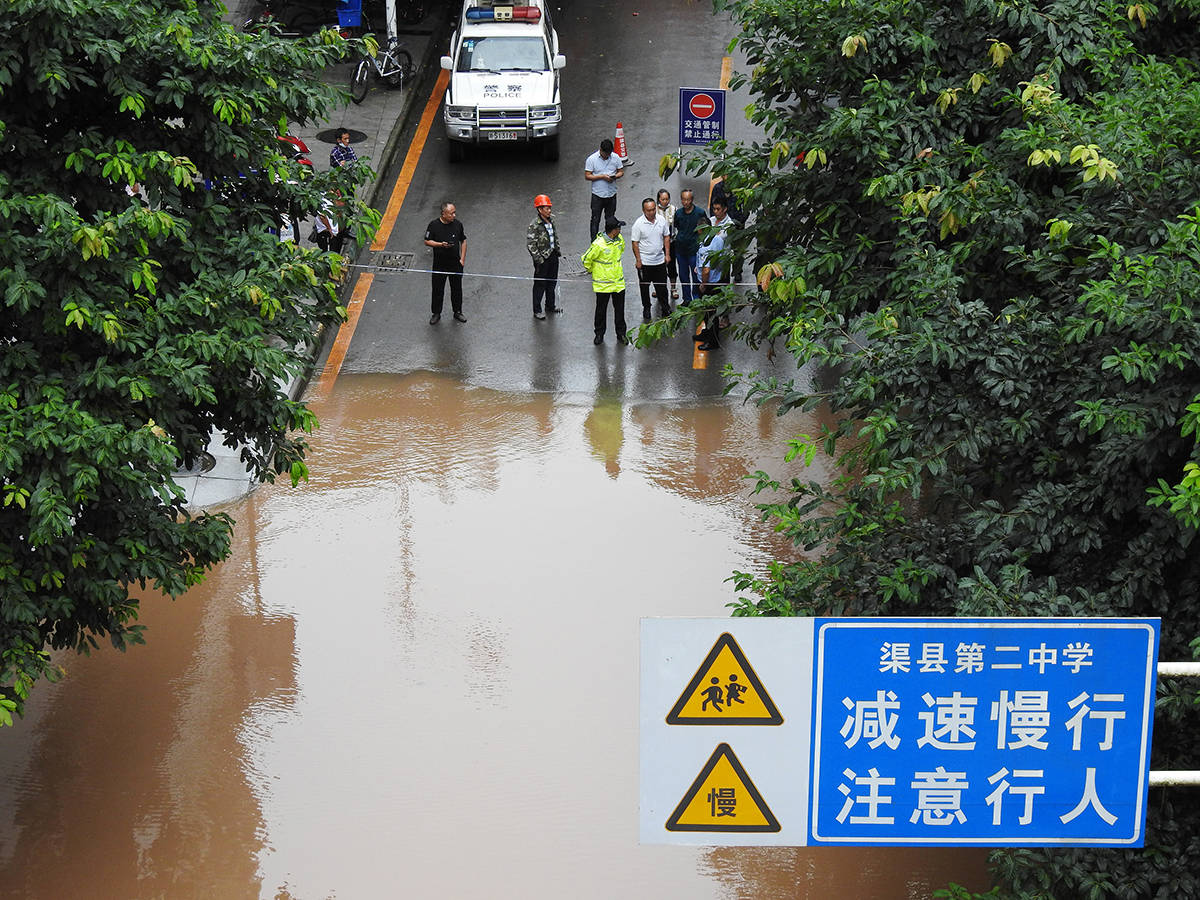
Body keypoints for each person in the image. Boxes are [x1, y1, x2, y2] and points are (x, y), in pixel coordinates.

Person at [581, 217, 628, 346]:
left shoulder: (619, 240)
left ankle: (621, 334)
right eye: (619, 228)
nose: (620, 230)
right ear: (613, 230)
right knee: (601, 311)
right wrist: (593, 271)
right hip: (603, 285)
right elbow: (586, 259)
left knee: (620, 310)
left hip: (618, 283)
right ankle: (599, 334)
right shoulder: (598, 244)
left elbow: (621, 250)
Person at [423, 202, 467, 324]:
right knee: (438, 289)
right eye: (451, 213)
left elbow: (463, 241)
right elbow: (427, 241)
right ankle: (436, 313)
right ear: (443, 214)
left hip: (455, 264)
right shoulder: (433, 225)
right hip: (439, 264)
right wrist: (440, 244)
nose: (454, 215)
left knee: (457, 289)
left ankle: (457, 311)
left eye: (454, 212)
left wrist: (462, 259)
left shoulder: (458, 225)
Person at [630, 197, 671, 321]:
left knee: (662, 287)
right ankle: (646, 307)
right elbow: (635, 243)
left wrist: (667, 254)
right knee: (644, 287)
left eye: (653, 209)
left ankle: (665, 307)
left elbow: (666, 237)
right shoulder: (638, 224)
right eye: (649, 210)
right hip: (645, 263)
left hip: (659, 262)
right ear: (643, 210)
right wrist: (638, 260)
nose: (652, 212)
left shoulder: (661, 220)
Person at [525, 193, 563, 320]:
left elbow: (554, 236)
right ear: (539, 209)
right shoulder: (534, 225)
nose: (549, 210)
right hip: (542, 259)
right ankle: (537, 310)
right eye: (546, 208)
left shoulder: (551, 221)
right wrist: (539, 259)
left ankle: (550, 305)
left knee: (552, 282)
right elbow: (531, 244)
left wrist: (557, 250)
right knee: (540, 284)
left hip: (552, 256)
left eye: (549, 207)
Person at [693, 220, 726, 351]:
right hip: (713, 278)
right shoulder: (712, 238)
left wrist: (703, 284)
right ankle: (707, 333)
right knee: (708, 313)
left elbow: (706, 268)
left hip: (709, 283)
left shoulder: (709, 243)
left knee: (710, 313)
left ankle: (712, 341)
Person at [584, 138, 624, 241]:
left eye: (608, 154)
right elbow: (587, 176)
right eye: (605, 154)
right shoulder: (592, 159)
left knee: (610, 219)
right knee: (595, 219)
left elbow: (621, 171)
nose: (607, 156)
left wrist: (615, 176)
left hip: (611, 194)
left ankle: (609, 239)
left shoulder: (615, 158)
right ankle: (593, 241)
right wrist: (601, 177)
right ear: (600, 150)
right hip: (597, 195)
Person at [672, 189, 707, 305]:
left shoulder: (699, 213)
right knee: (683, 276)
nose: (685, 202)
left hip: (694, 250)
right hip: (681, 250)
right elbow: (676, 225)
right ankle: (687, 299)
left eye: (688, 199)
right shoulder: (678, 213)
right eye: (683, 199)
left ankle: (696, 298)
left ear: (692, 200)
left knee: (696, 275)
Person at [656, 189, 679, 300]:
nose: (665, 201)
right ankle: (659, 288)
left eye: (667, 199)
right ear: (658, 199)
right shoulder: (653, 210)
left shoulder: (674, 209)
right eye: (662, 199)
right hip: (658, 244)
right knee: (659, 267)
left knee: (671, 266)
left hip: (671, 242)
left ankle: (673, 288)